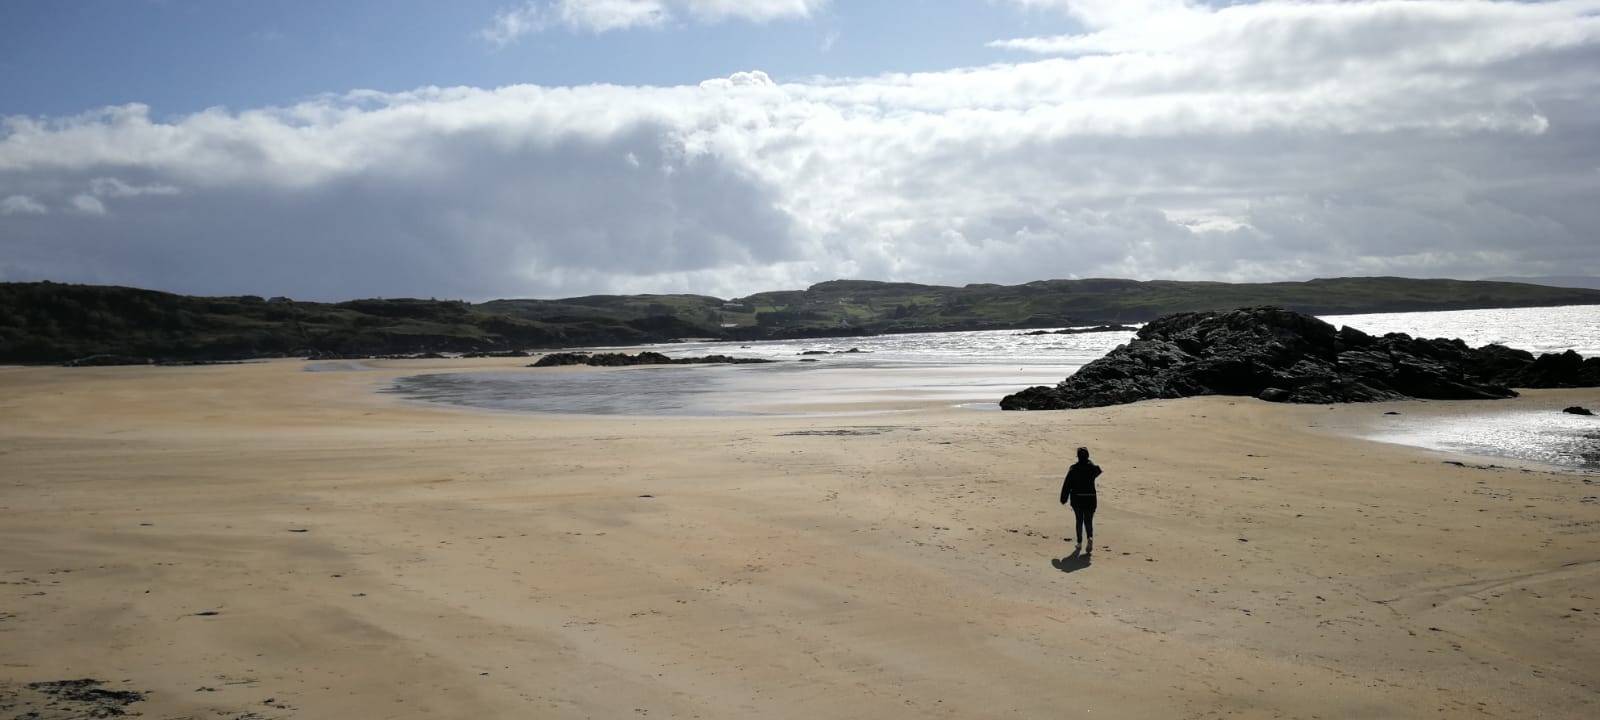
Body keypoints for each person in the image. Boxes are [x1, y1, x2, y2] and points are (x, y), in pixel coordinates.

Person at [1060, 446, 1102, 552]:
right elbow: (1098, 470)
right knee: (1088, 520)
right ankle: (1089, 538)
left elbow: (1067, 485)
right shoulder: (1092, 468)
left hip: (1077, 499)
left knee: (1079, 520)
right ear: (1088, 456)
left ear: (1078, 457)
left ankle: (1079, 543)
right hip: (1090, 498)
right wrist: (1090, 462)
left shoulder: (1073, 469)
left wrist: (1064, 498)